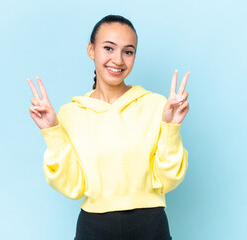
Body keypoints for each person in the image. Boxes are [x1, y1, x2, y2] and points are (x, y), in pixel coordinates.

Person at [27, 14, 190, 240]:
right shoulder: (69, 114)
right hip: (93, 228)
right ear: (91, 50)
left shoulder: (157, 106)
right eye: (109, 48)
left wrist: (171, 127)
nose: (118, 60)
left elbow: (167, 179)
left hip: (150, 226)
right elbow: (73, 186)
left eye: (128, 51)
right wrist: (52, 132)